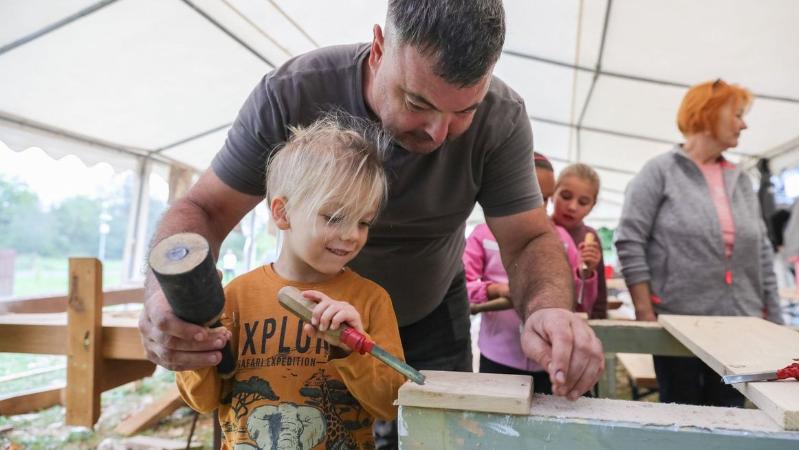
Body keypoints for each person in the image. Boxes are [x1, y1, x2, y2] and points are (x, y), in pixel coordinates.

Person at [139, 3, 604, 445]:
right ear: (379, 49)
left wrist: (547, 308)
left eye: (464, 110)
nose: (437, 132)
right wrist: (167, 295)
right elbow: (206, 208)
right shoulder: (292, 92)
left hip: (432, 316)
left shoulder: (503, 116)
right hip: (298, 321)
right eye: (417, 101)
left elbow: (526, 239)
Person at [176, 116, 406, 449]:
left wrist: (352, 349)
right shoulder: (236, 298)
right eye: (334, 216)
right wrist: (196, 343)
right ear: (283, 213)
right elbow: (204, 400)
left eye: (364, 222)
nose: (351, 235)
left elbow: (388, 404)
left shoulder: (370, 301)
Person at [615, 79, 783, 407]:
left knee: (732, 417)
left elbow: (762, 251)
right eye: (736, 114)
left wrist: (775, 318)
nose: (744, 124)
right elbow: (629, 239)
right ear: (709, 113)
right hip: (679, 325)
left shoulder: (741, 179)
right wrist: (645, 311)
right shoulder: (659, 172)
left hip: (742, 326)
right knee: (683, 415)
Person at [463, 153, 598, 394]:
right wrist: (499, 289)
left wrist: (585, 274)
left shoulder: (562, 240)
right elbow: (463, 289)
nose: (539, 206)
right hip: (498, 358)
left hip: (548, 360)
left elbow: (578, 301)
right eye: (531, 196)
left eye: (544, 199)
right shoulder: (482, 236)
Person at [550, 163, 607, 319]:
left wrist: (589, 272)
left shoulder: (590, 239)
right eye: (566, 196)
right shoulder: (539, 230)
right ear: (552, 193)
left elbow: (600, 299)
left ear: (592, 206)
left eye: (583, 202)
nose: (572, 207)